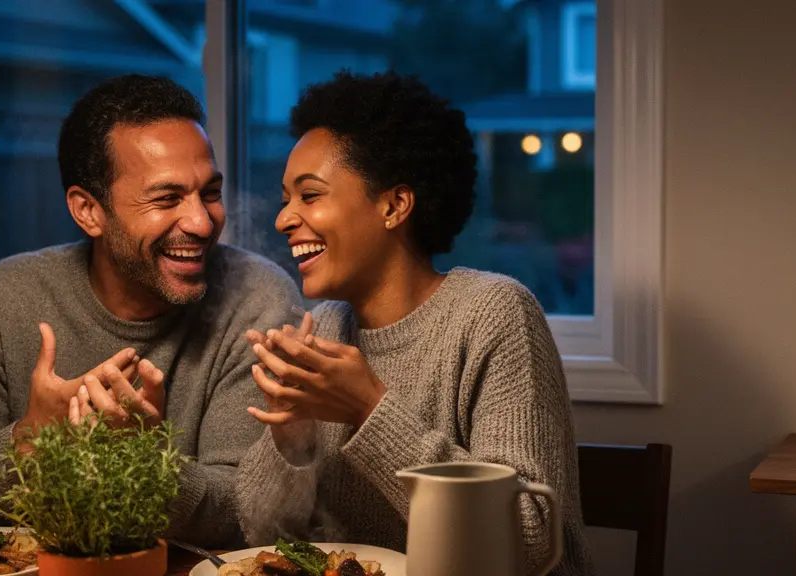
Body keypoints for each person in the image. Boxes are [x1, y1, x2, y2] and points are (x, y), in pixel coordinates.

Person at [235, 70, 593, 576]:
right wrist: (291, 442)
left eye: (309, 195)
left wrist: (369, 408)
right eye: (285, 198)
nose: (283, 218)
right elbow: (262, 539)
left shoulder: (496, 315)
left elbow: (527, 544)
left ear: (394, 205)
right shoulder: (326, 328)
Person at [0, 74, 303, 548]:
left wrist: (143, 458)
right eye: (166, 199)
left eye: (210, 192)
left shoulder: (256, 299)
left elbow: (247, 514)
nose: (202, 223)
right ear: (88, 211)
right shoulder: (1, 302)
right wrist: (29, 440)